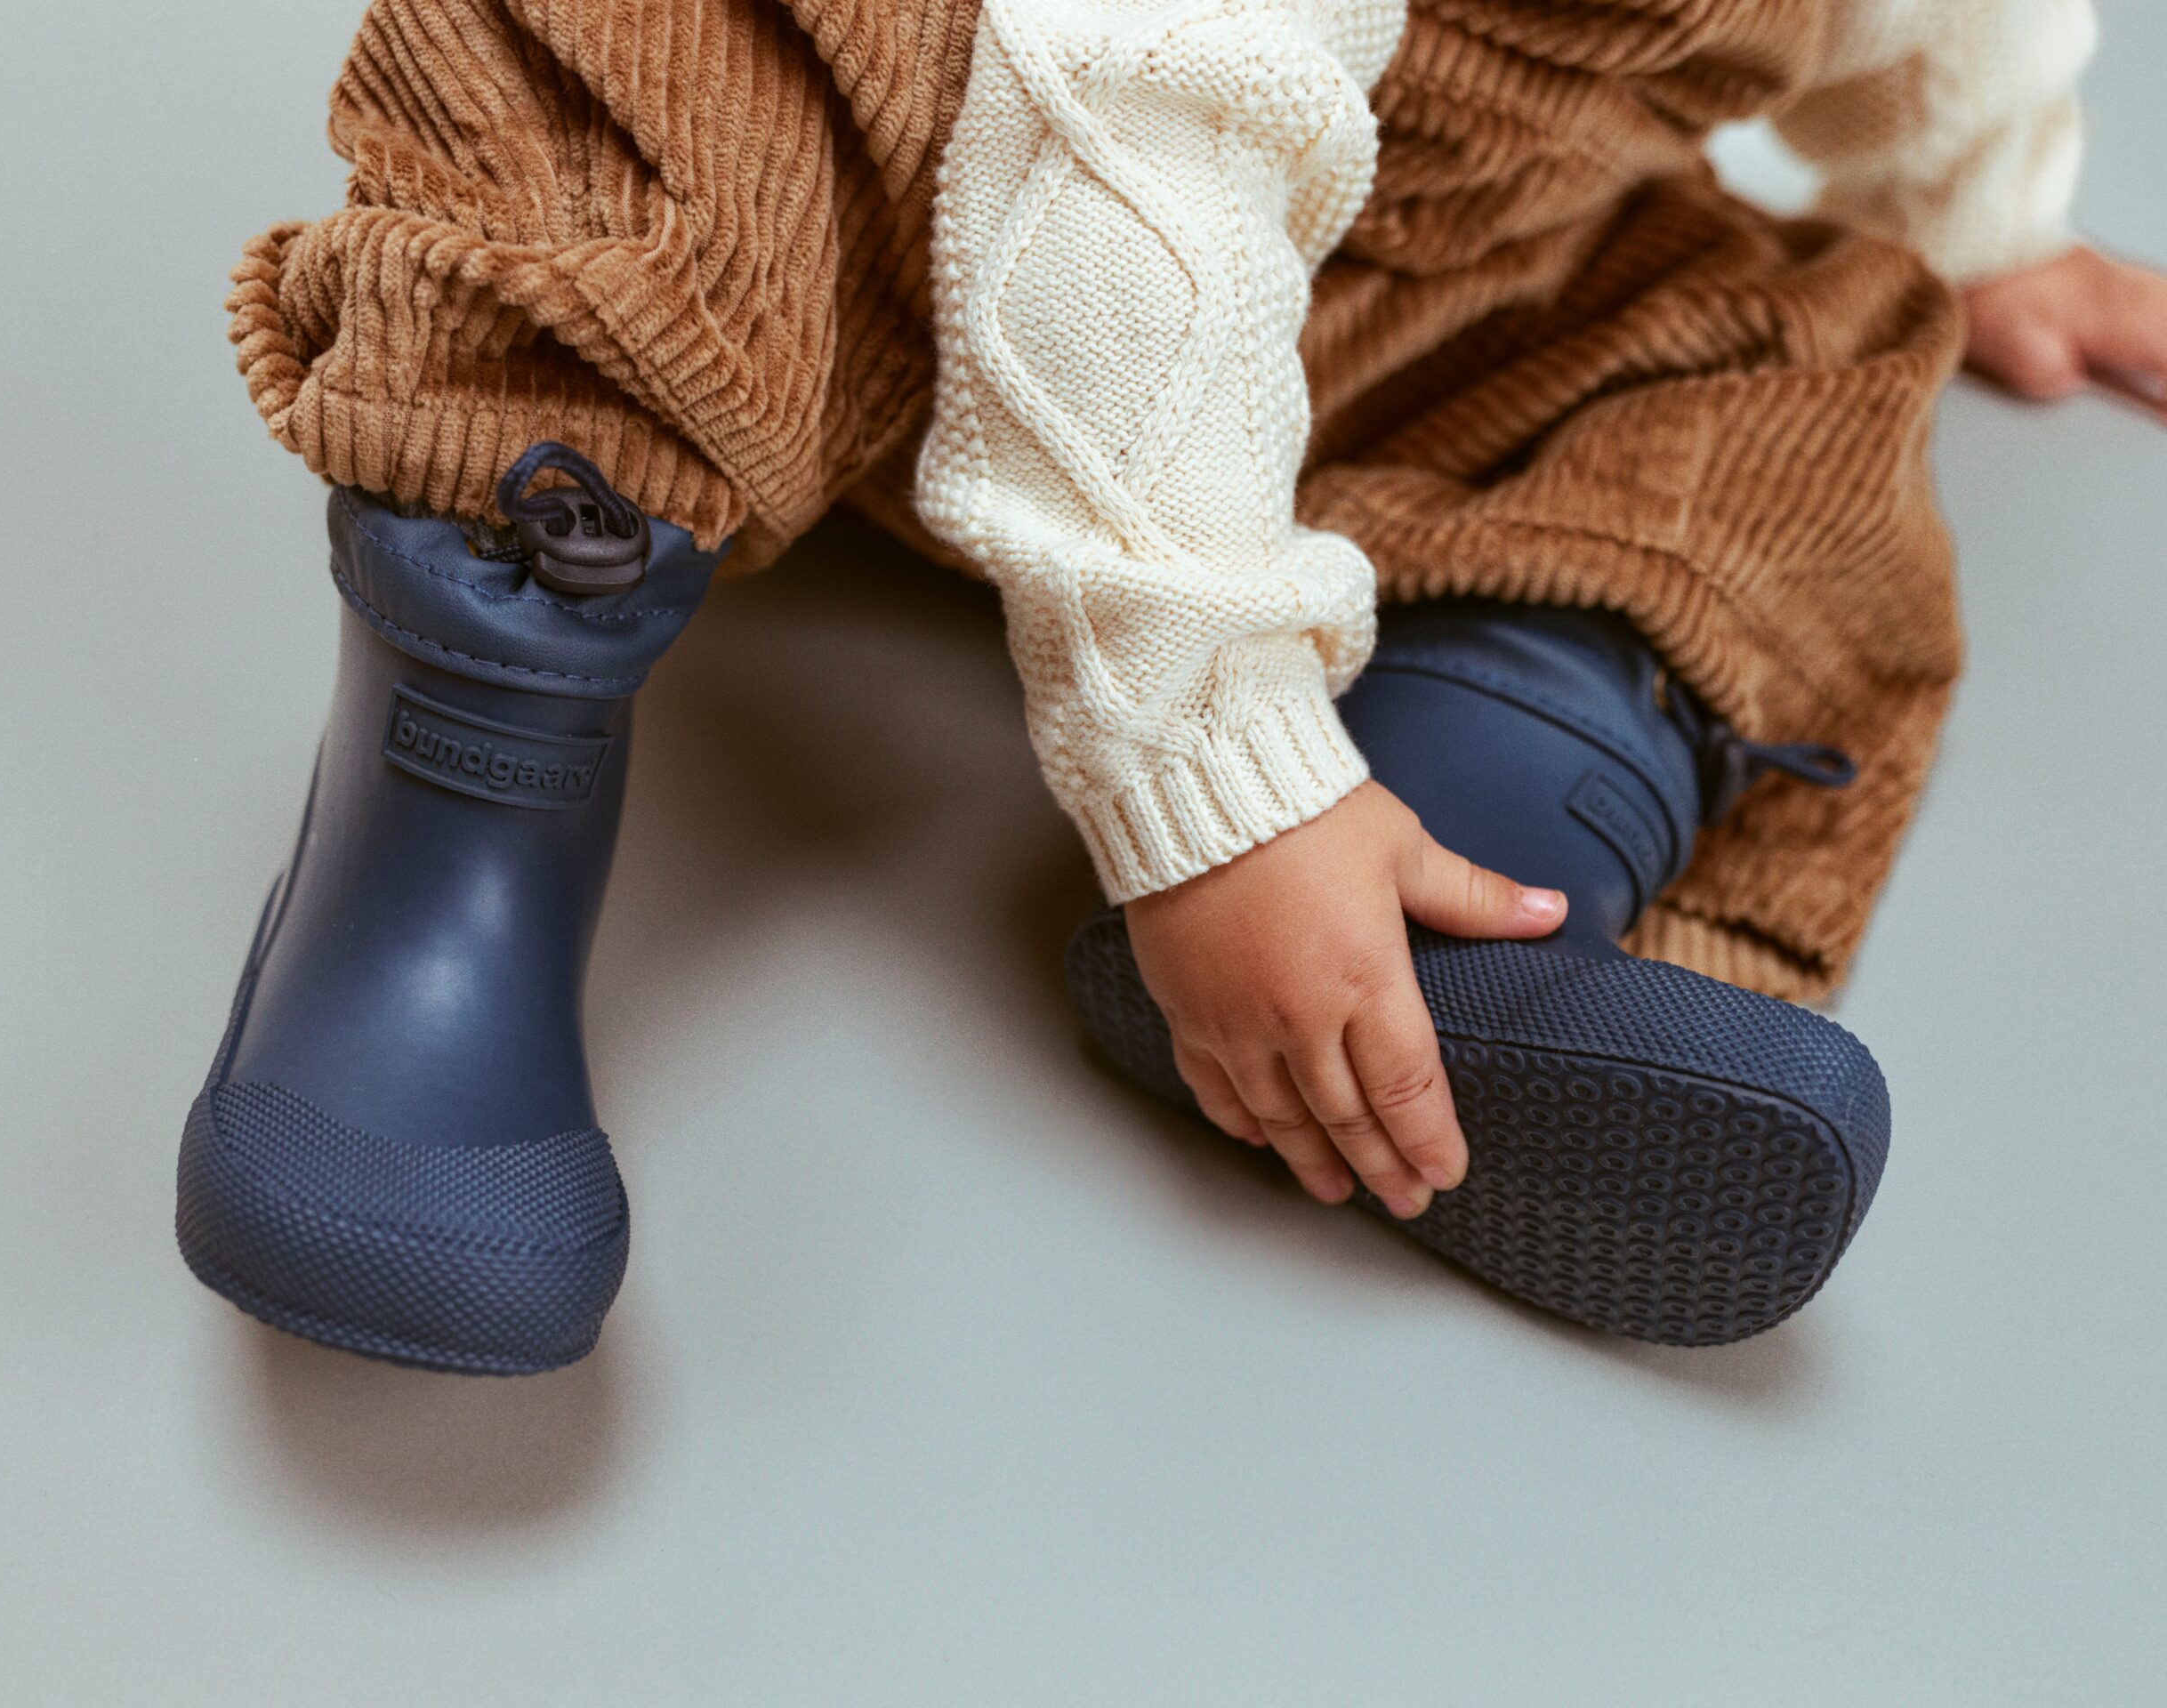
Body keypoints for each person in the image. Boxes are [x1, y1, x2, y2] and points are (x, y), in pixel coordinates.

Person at [180, 0, 2167, 1370]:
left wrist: (1978, 222)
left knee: (1789, 352)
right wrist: (1216, 781)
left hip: (1369, 279)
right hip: (911, 194)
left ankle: (1489, 789)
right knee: (650, 87)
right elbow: (1144, 145)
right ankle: (459, 804)